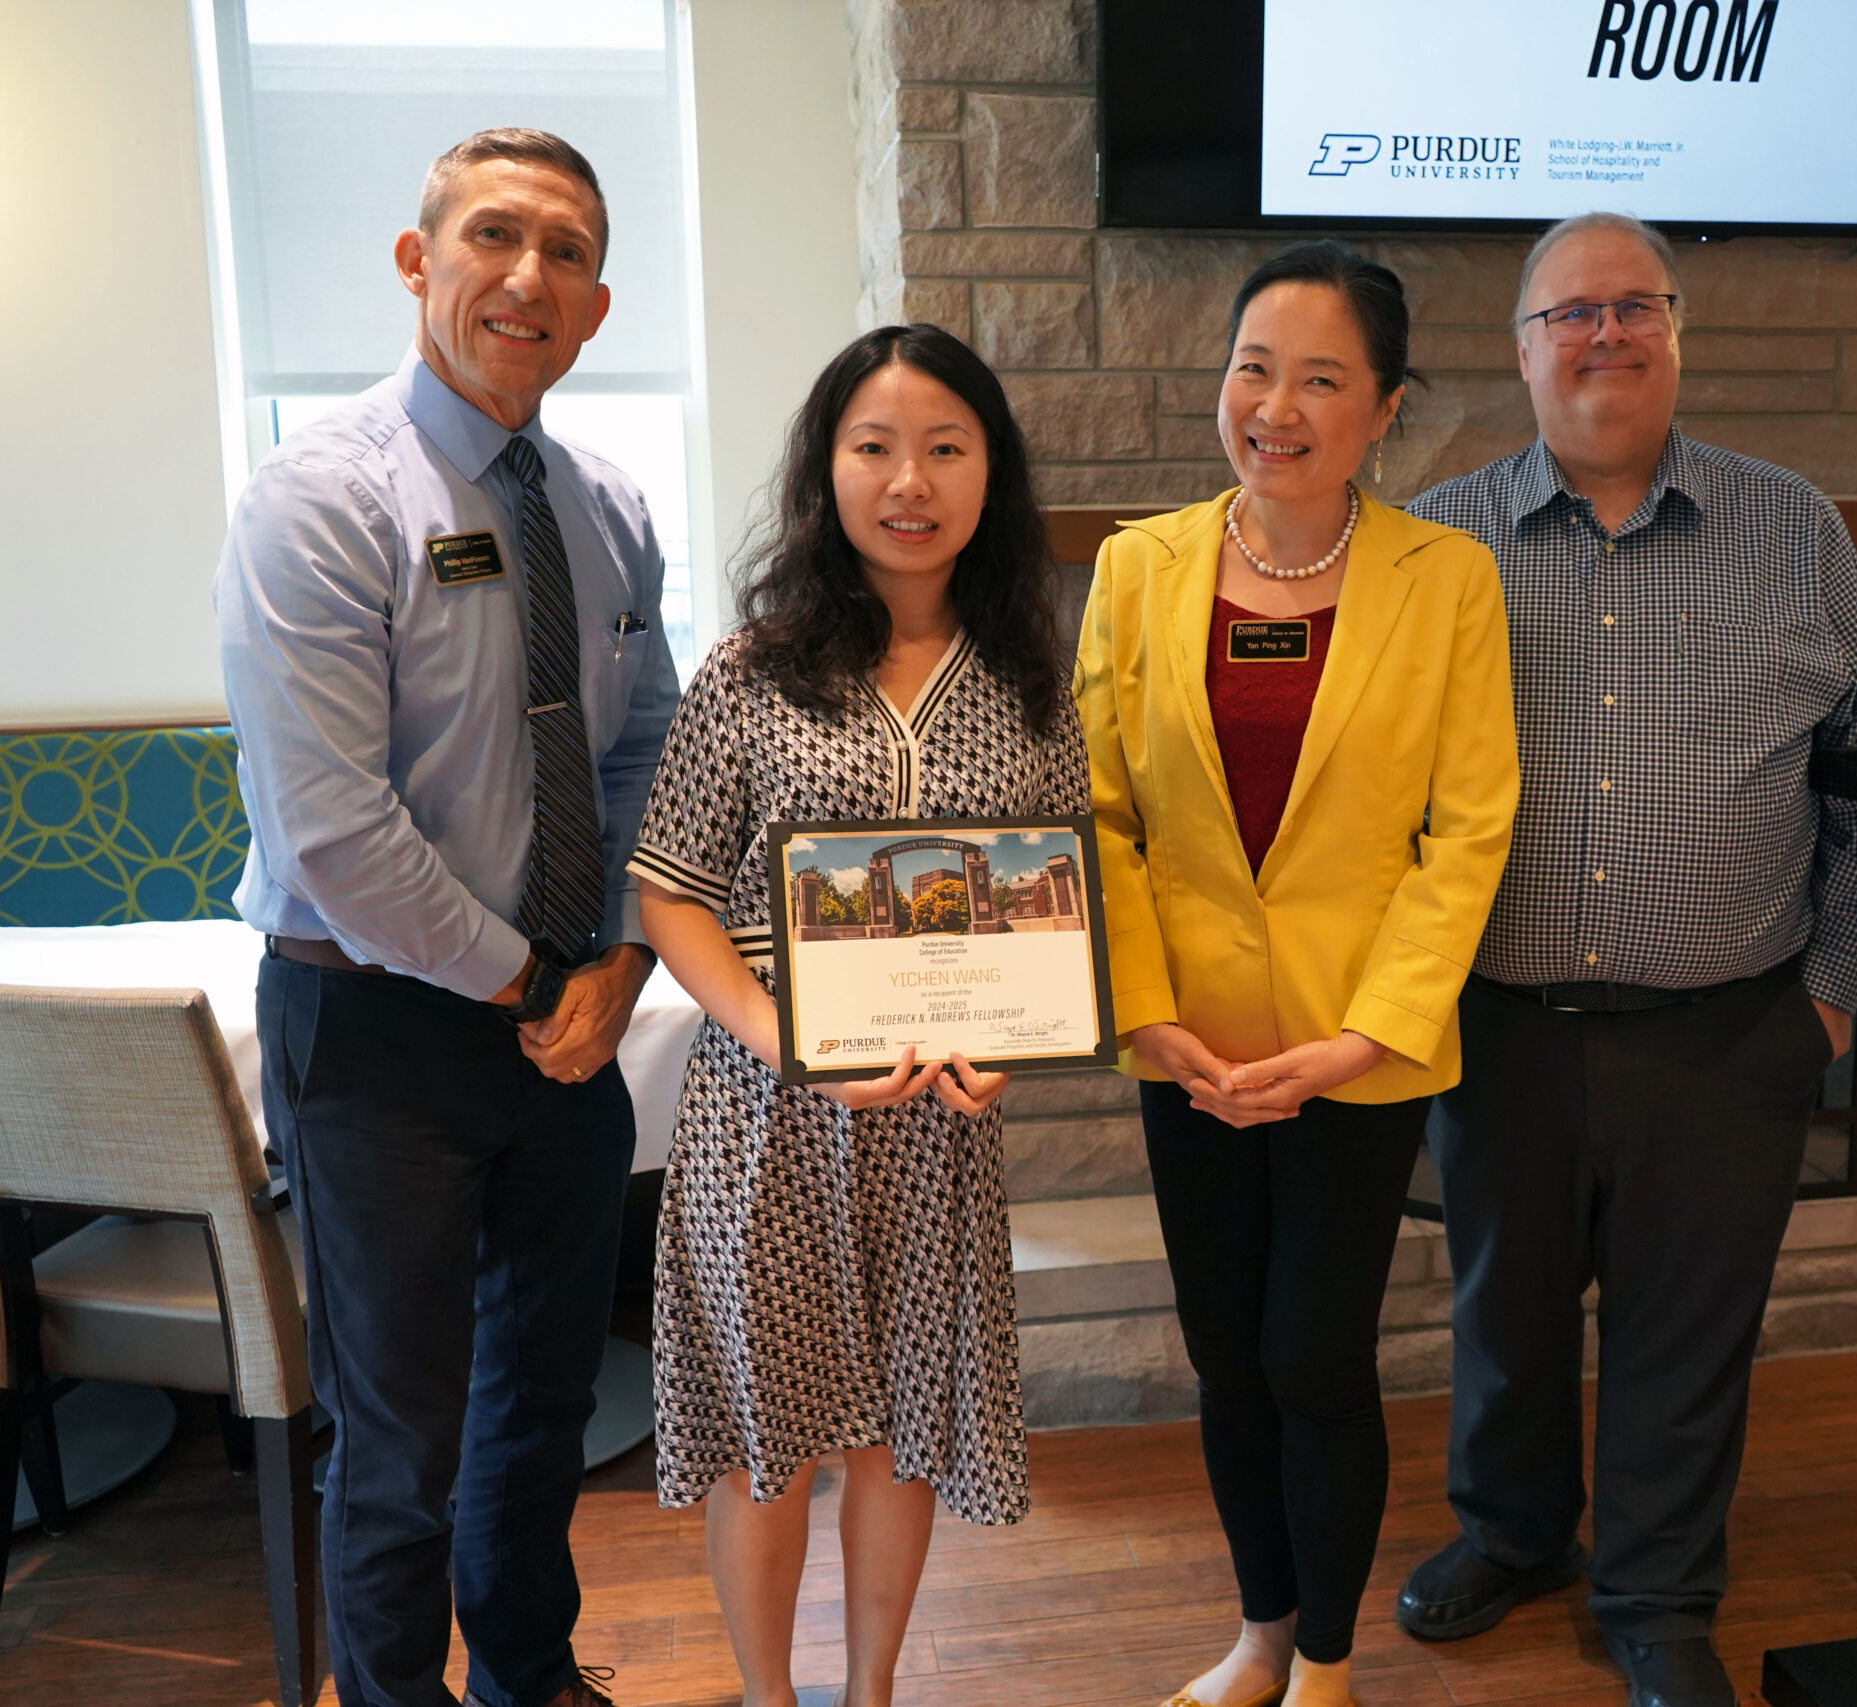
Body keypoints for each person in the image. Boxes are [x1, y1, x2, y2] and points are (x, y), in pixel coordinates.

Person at [1392, 212, 1857, 1707]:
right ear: (1521, 347)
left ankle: (1658, 1596)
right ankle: (1512, 1536)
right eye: (1571, 312)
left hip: (1731, 1028)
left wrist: (1825, 998)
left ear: (1679, 334)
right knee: (1504, 1310)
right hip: (1497, 1024)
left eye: (1635, 307)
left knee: (1688, 1334)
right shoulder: (1436, 543)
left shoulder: (1794, 528)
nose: (1604, 335)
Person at [217, 128, 676, 1707]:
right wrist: (530, 986)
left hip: (568, 1024)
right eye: (495, 236)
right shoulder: (318, 502)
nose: (527, 277)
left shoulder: (608, 509)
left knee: (541, 1402)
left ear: (597, 309)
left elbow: (644, 752)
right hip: (380, 1032)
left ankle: (528, 1676)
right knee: (399, 1438)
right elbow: (336, 832)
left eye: (566, 253)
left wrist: (612, 964)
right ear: (420, 263)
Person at [1075, 240, 1519, 1707]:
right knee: (1223, 1352)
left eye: (1322, 377)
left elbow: (1469, 831)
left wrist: (1362, 1040)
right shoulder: (1139, 571)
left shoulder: (1447, 581)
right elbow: (1103, 815)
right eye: (1253, 367)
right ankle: (1259, 1633)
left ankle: (1325, 1661)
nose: (1276, 405)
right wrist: (1149, 1013)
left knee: (1313, 1356)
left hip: (1355, 1050)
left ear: (1385, 407)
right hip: (1189, 1043)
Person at [631, 323, 1086, 1707]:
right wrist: (790, 1043)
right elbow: (671, 893)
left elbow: (1047, 909)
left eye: (946, 447)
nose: (910, 479)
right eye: (874, 446)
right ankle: (773, 1697)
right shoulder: (751, 671)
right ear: (827, 469)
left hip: (937, 1132)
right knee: (771, 1433)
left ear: (988, 474)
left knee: (900, 1433)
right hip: (763, 1125)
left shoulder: (1025, 680)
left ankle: (870, 1690)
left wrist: (1004, 1049)